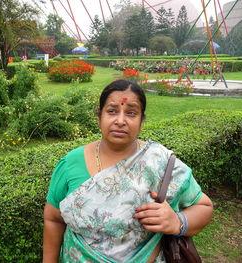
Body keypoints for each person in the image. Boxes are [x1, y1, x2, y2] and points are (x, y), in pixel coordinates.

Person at [43, 79, 213, 263]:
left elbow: (204, 207)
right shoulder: (71, 164)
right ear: (99, 116)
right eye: (112, 111)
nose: (121, 121)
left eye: (131, 113)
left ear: (141, 121)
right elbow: (53, 219)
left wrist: (177, 222)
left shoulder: (159, 162)